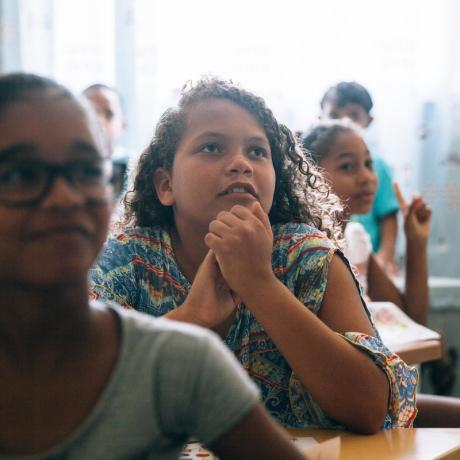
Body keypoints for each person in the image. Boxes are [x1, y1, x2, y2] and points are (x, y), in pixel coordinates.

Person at [0, 72, 306, 459]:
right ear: (164, 185)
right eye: (21, 175)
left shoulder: (181, 362)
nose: (65, 198)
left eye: (87, 171)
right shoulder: (131, 261)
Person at [91, 77, 418, 433]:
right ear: (166, 185)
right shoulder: (125, 261)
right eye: (212, 148)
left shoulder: (308, 257)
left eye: (257, 151)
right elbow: (77, 393)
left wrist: (259, 283)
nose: (241, 163)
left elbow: (370, 407)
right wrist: (193, 317)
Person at [301, 119, 460, 428]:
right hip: (331, 404)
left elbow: (410, 316)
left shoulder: (356, 239)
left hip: (376, 394)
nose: (367, 177)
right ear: (309, 176)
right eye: (348, 167)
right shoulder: (308, 249)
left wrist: (415, 243)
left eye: (368, 164)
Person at [320, 81, 400, 275]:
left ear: (368, 120)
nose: (344, 122)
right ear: (320, 118)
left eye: (353, 115)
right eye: (334, 115)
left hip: (366, 260)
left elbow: (388, 215)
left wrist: (385, 257)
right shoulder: (315, 161)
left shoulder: (378, 165)